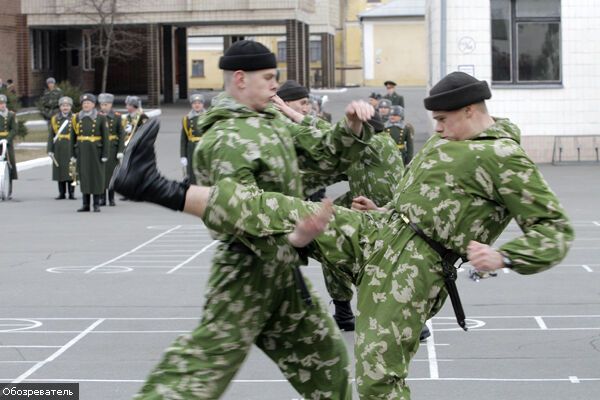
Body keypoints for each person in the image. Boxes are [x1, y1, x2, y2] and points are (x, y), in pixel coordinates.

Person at [112, 71, 574, 399]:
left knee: (376, 380)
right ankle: (153, 185)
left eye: (444, 120)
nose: (436, 129)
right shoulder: (449, 139)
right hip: (381, 229)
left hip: (413, 268)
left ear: (471, 112)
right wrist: (389, 209)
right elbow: (428, 195)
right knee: (280, 208)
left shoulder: (505, 159)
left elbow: (554, 230)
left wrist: (506, 257)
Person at [115, 39, 376, 400]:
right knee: (201, 371)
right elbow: (236, 211)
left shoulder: (270, 122)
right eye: (268, 77)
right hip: (246, 271)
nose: (275, 84)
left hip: (282, 273)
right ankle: (152, 186)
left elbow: (322, 157)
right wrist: (294, 235)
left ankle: (153, 186)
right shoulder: (225, 137)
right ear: (240, 78)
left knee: (326, 362)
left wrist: (351, 129)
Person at [71, 94, 109, 212]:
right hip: (82, 151)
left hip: (96, 151)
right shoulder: (76, 118)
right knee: (85, 177)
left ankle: (96, 204)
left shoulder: (101, 118)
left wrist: (105, 154)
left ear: (93, 104)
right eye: (84, 103)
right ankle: (85, 204)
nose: (86, 105)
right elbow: (73, 137)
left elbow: (105, 138)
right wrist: (72, 154)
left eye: (88, 103)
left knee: (96, 177)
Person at [47, 96, 76, 200]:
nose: (65, 108)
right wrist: (50, 149)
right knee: (60, 170)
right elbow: (51, 135)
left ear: (71, 107)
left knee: (71, 170)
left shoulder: (75, 118)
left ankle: (72, 193)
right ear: (60, 107)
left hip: (70, 146)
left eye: (67, 105)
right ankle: (62, 193)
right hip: (59, 147)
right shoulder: (55, 119)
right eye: (63, 105)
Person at [98, 93, 124, 206]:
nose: (104, 107)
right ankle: (102, 198)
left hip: (113, 147)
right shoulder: (97, 116)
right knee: (102, 174)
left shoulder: (117, 117)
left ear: (111, 105)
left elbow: (121, 134)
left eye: (106, 104)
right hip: (101, 148)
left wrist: (120, 151)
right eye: (102, 104)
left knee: (112, 174)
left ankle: (111, 198)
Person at [180, 93, 205, 184]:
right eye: (194, 103)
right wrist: (183, 156)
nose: (197, 105)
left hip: (204, 147)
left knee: (204, 171)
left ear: (203, 104)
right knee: (192, 173)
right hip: (191, 149)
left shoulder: (208, 117)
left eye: (199, 103)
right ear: (191, 105)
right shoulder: (186, 119)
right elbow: (183, 139)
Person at [0, 94, 17, 199]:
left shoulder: (11, 115)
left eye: (3, 103)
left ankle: (9, 190)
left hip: (8, 144)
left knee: (10, 164)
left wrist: (7, 139)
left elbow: (14, 129)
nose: (2, 105)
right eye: (0, 104)